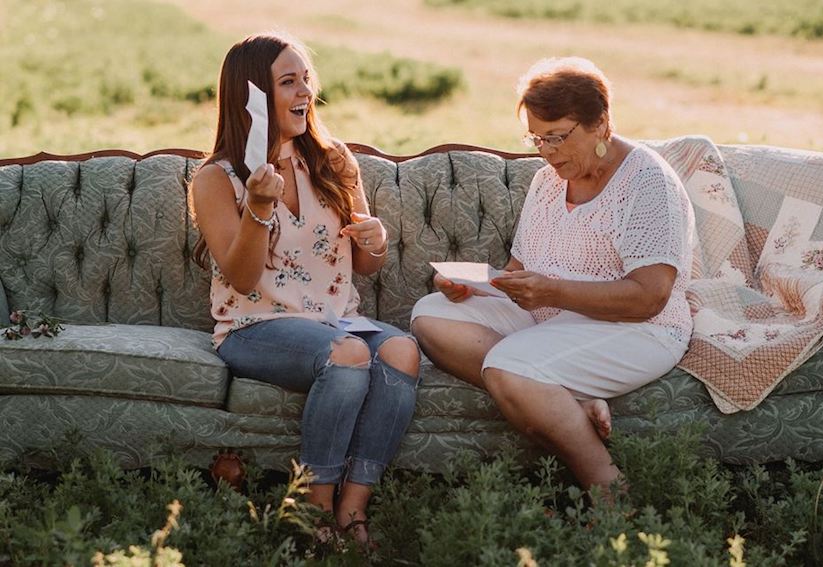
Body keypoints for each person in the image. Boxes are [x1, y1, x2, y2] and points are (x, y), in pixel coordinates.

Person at [411, 57, 694, 494]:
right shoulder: (548, 182)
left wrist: (552, 292)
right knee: (429, 315)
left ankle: (608, 490)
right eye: (536, 138)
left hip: (640, 329)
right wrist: (475, 285)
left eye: (557, 137)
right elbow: (521, 270)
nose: (545, 151)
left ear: (600, 123)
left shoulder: (646, 180)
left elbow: (650, 297)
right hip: (552, 318)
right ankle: (571, 398)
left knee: (508, 368)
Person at [189, 32, 420, 543]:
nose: (305, 92)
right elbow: (242, 277)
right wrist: (258, 208)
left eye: (306, 80)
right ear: (251, 96)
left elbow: (364, 264)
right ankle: (313, 508)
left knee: (402, 350)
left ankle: (354, 505)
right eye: (288, 82)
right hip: (256, 326)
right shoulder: (216, 179)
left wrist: (376, 238)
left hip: (337, 319)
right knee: (350, 355)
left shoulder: (333, 161)